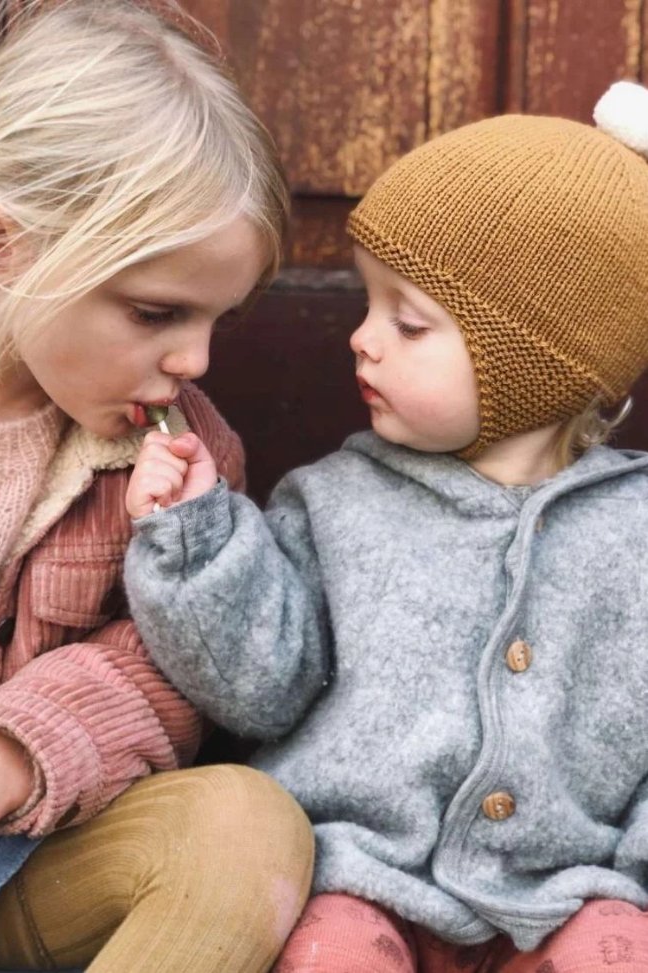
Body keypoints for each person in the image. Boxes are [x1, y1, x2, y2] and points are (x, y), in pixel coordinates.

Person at [125, 80, 648, 972]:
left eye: (409, 323)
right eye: (369, 307)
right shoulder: (334, 502)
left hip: (566, 894)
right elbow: (260, 690)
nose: (362, 338)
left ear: (544, 369)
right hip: (357, 879)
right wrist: (196, 542)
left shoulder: (633, 534)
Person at [0, 1, 314, 970]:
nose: (194, 360)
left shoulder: (181, 459)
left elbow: (162, 675)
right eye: (155, 313)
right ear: (0, 247)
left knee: (244, 827)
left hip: (9, 861)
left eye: (216, 320)